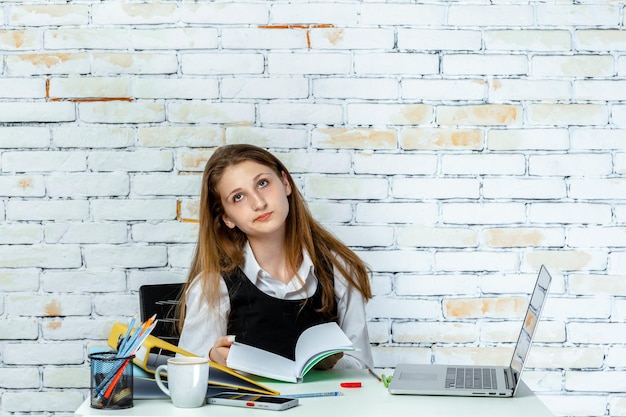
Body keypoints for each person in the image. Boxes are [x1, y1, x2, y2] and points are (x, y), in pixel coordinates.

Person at [176, 144, 373, 371]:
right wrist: (212, 359)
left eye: (262, 183)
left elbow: (362, 369)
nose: (259, 203)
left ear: (285, 183)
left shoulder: (340, 271)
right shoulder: (212, 285)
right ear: (227, 218)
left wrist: (329, 366)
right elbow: (186, 374)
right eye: (238, 197)